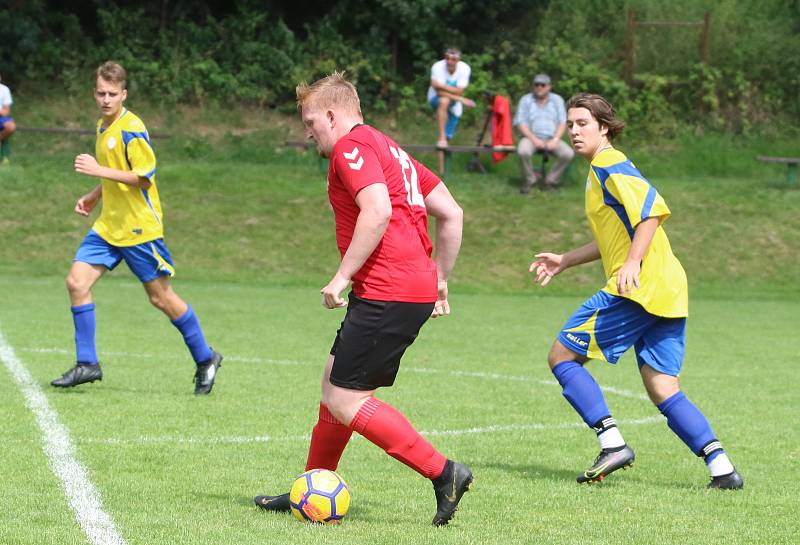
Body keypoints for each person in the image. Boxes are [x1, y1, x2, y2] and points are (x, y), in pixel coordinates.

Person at [254, 72, 472, 525]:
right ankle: (311, 486)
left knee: (346, 401)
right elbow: (451, 212)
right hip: (405, 286)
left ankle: (444, 472)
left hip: (387, 288)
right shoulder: (391, 149)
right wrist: (441, 280)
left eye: (311, 121)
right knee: (335, 383)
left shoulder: (352, 148)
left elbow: (377, 211)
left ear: (332, 115)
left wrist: (341, 276)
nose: (308, 130)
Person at [529, 92, 743, 490]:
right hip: (666, 289)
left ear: (604, 127)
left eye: (582, 124)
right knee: (663, 386)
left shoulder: (610, 162)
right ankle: (722, 469)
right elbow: (615, 236)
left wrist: (631, 264)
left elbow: (651, 212)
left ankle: (612, 443)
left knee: (562, 357)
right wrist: (565, 260)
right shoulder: (600, 169)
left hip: (638, 289)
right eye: (570, 124)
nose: (574, 131)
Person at [51, 62, 223, 395]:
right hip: (108, 227)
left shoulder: (132, 128)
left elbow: (143, 178)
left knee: (160, 298)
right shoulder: (103, 126)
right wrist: (93, 195)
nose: (105, 99)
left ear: (123, 94)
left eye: (112, 94)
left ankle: (205, 358)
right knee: (76, 282)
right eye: (100, 92)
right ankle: (87, 363)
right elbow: (116, 173)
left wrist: (97, 170)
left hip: (138, 231)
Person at [513, 74, 574, 193]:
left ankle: (550, 181)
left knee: (568, 153)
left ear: (549, 87)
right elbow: (520, 122)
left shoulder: (557, 100)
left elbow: (563, 122)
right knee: (522, 151)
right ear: (533, 86)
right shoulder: (526, 100)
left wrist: (555, 140)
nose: (539, 87)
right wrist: (534, 139)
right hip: (530, 137)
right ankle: (530, 181)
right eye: (536, 84)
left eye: (543, 85)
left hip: (552, 137)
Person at [427, 47, 476, 175]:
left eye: (453, 59)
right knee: (444, 101)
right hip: (435, 99)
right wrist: (460, 98)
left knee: (446, 139)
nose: (450, 61)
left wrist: (443, 87)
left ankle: (443, 173)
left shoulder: (464, 69)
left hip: (455, 106)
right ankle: (442, 136)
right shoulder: (437, 67)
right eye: (447, 58)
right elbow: (437, 91)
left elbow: (459, 90)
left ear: (458, 60)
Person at [0, 72, 16, 165]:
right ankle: (4, 156)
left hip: (1, 117)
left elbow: (6, 111)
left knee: (11, 127)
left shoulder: (4, 90)